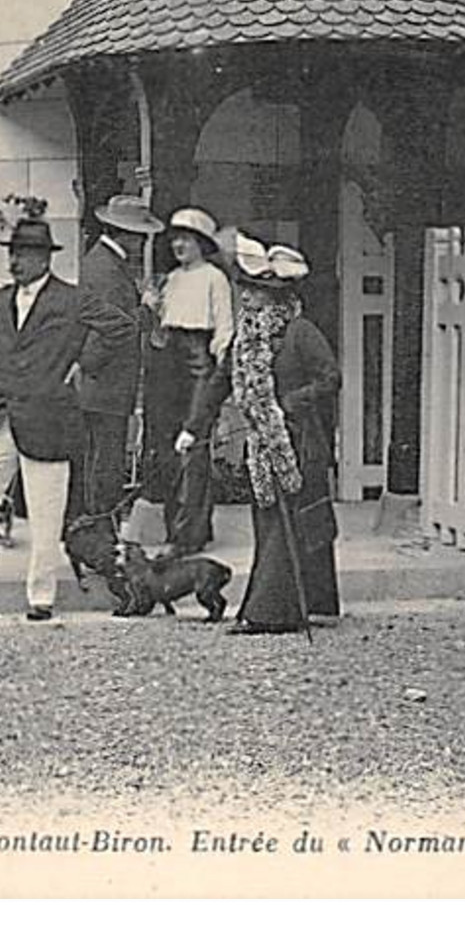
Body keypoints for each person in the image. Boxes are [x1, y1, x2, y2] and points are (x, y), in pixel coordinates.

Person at [0, 216, 136, 620]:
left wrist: (79, 364)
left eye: (25, 254)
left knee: (45, 510)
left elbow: (121, 328)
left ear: (44, 259)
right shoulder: (1, 299)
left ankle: (42, 595)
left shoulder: (72, 299)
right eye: (13, 253)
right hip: (2, 414)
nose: (16, 261)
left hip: (49, 417)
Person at [198, 235, 341, 634]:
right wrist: (195, 427)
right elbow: (218, 382)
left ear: (276, 297)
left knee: (290, 524)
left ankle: (269, 613)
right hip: (263, 444)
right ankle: (298, 603)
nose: (247, 297)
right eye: (244, 289)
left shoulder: (301, 332)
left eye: (256, 291)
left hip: (300, 443)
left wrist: (291, 402)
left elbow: (330, 378)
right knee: (271, 524)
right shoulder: (245, 341)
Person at [143, 206, 233, 554]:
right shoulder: (171, 280)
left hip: (199, 364)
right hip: (170, 367)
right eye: (175, 238)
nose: (179, 245)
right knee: (168, 444)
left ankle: (188, 533)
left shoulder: (214, 278)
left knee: (192, 445)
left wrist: (221, 382)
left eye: (187, 239)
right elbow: (158, 334)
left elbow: (224, 330)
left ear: (201, 243)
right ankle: (182, 528)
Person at [73, 194, 162, 519]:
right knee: (106, 462)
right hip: (107, 382)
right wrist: (147, 310)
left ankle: (95, 524)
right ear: (123, 233)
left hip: (100, 383)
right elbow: (115, 328)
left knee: (99, 459)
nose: (142, 243)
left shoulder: (100, 261)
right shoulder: (108, 270)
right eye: (139, 236)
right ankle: (100, 528)